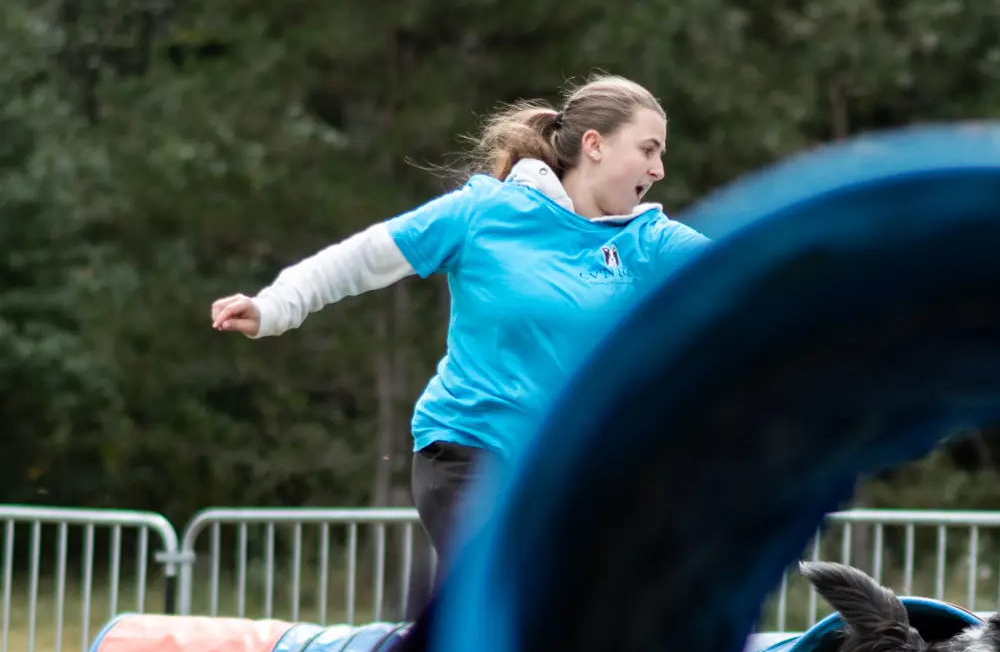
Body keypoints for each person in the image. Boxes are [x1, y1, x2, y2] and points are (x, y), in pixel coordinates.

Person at [209, 73, 711, 565]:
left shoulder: (650, 241)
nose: (660, 168)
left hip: (564, 470)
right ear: (595, 145)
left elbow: (756, 272)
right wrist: (274, 306)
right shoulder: (485, 213)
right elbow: (362, 258)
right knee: (509, 596)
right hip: (468, 453)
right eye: (648, 150)